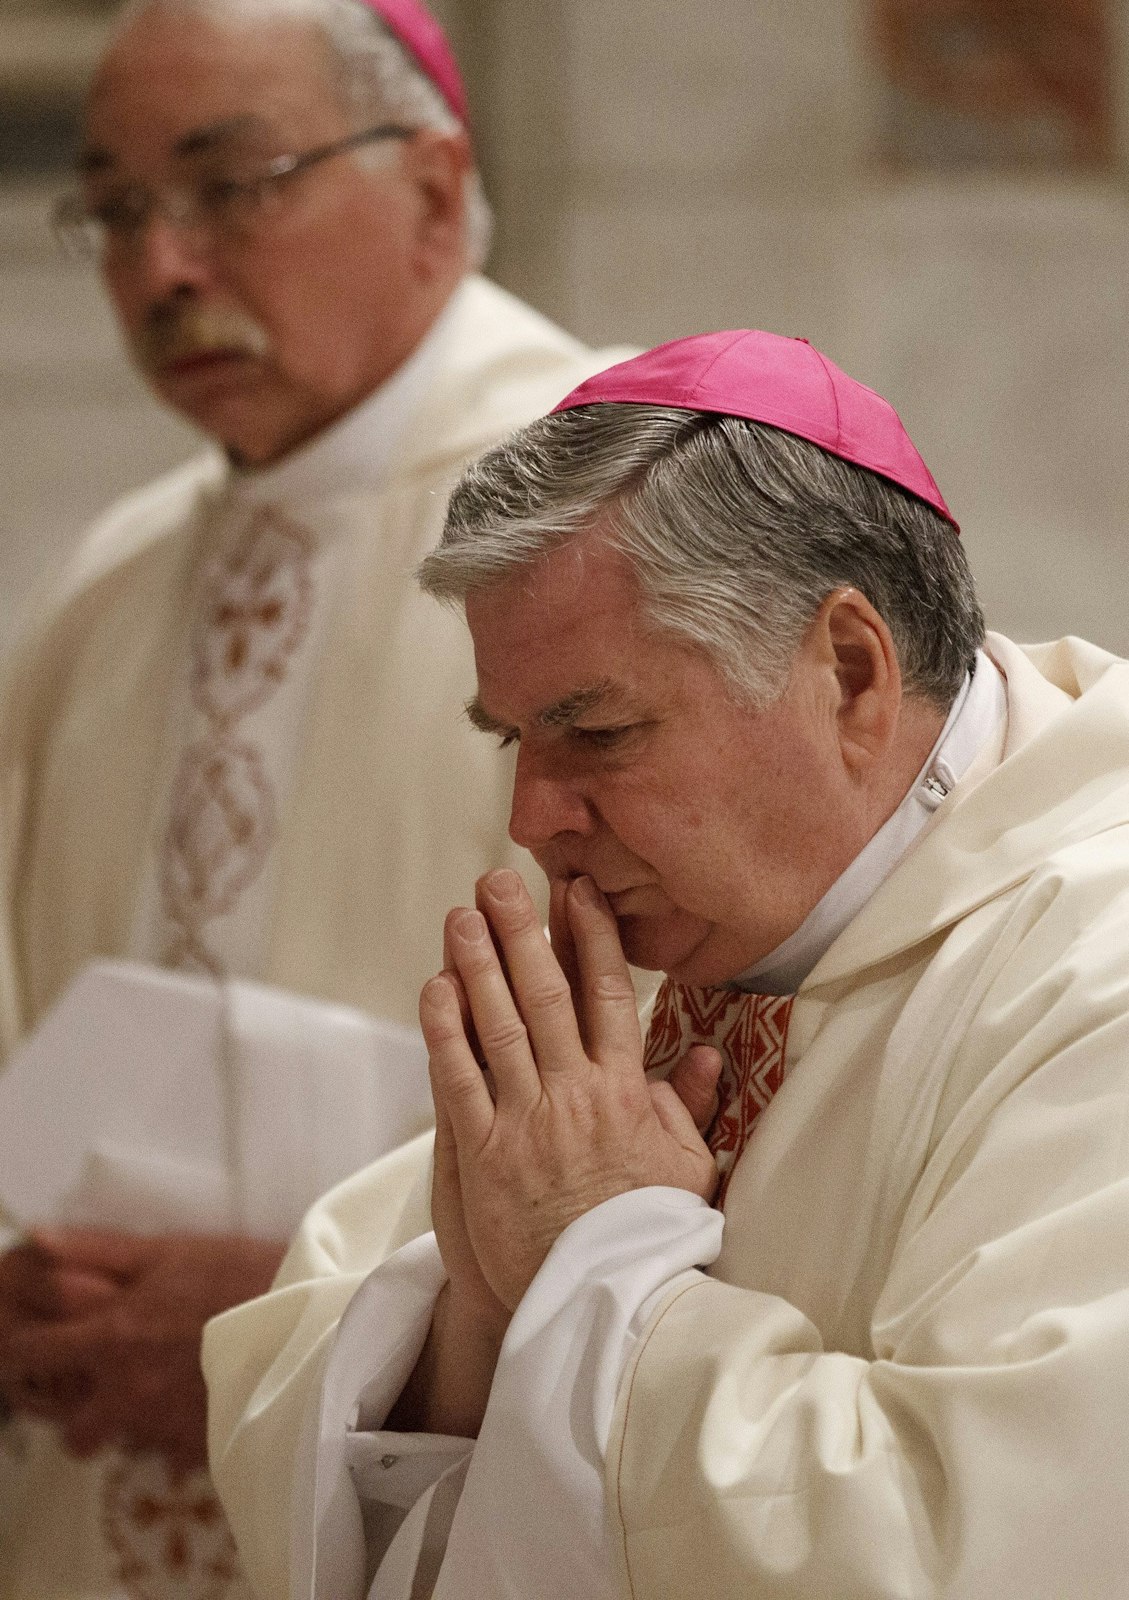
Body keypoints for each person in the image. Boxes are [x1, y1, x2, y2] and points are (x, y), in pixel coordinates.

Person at [204, 329, 1129, 1599]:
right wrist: (473, 1320)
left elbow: (983, 1542)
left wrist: (600, 1260)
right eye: (512, 740)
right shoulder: (707, 927)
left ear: (849, 673)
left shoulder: (1093, 966)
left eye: (596, 732)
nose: (531, 817)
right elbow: (313, 1347)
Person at [0, 0, 625, 1595]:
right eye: (119, 208)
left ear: (430, 186)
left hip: (462, 1480)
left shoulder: (634, 505)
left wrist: (305, 1307)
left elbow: (743, 1066)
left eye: (228, 183)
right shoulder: (109, 581)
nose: (162, 269)